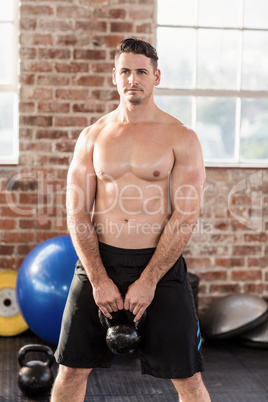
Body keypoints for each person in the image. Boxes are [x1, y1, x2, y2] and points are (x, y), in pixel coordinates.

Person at [51, 37, 211, 402]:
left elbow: (186, 215)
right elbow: (76, 211)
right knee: (71, 370)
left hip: (159, 266)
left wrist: (150, 279)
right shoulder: (92, 137)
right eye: (125, 71)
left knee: (189, 378)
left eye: (141, 72)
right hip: (98, 262)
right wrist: (98, 278)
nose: (132, 79)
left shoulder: (181, 137)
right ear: (114, 76)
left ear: (156, 77)